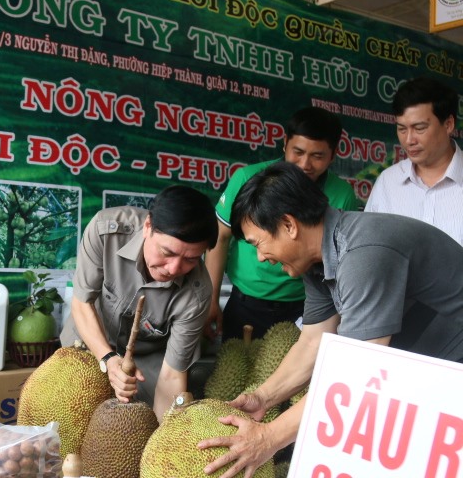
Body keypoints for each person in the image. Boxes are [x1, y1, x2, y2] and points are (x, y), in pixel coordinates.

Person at [197, 161, 463, 477]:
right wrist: (263, 397)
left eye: (258, 244)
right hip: (426, 368)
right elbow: (313, 340)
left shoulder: (364, 253)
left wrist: (268, 437)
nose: (260, 258)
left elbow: (358, 374)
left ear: (288, 225)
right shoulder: (320, 261)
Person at [59, 185, 218, 421]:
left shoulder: (197, 292)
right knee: (72, 413)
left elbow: (172, 375)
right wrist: (107, 359)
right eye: (167, 252)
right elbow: (82, 303)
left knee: (144, 422)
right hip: (90, 337)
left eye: (190, 260)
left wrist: (161, 444)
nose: (174, 269)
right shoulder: (106, 231)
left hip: (149, 356)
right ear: (148, 227)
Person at [205, 107, 359, 341]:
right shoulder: (248, 180)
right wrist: (210, 300)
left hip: (306, 306)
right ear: (285, 143)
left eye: (317, 156)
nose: (305, 164)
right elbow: (220, 237)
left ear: (333, 155)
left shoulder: (342, 195)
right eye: (298, 152)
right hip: (246, 303)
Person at [365, 76, 463, 245]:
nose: (409, 140)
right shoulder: (388, 183)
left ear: (448, 124)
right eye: (401, 129)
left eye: (419, 128)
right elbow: (369, 248)